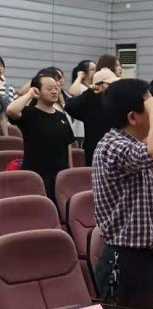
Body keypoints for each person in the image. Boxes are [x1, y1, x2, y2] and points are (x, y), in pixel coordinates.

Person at [92, 78, 153, 302]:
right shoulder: (113, 145)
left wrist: (152, 109)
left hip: (141, 258)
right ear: (133, 117)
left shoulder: (127, 143)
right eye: (148, 106)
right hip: (125, 260)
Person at [3, 70, 76, 200]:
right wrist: (30, 94)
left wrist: (69, 172)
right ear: (38, 91)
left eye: (56, 88)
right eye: (49, 88)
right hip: (36, 175)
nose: (55, 92)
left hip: (59, 176)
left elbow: (68, 146)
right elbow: (11, 110)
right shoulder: (29, 113)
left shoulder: (61, 116)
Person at [65, 67, 119, 165]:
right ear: (99, 85)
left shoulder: (116, 101)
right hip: (95, 151)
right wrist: (89, 91)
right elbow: (69, 106)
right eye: (109, 84)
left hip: (116, 149)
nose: (113, 87)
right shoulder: (89, 101)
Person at [68, 60, 96, 146]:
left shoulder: (94, 86)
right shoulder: (80, 86)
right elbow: (73, 92)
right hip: (79, 131)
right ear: (84, 72)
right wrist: (79, 77)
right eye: (93, 69)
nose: (95, 71)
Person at [0, 55, 14, 137]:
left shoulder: (9, 87)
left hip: (7, 125)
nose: (0, 68)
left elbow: (14, 107)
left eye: (1, 66)